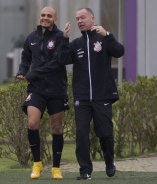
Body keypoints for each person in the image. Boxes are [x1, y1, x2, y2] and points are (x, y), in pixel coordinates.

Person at [59, 8, 124, 180]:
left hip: (102, 96)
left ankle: (109, 162)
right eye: (77, 18)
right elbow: (62, 60)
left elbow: (119, 51)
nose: (79, 21)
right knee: (81, 134)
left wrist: (108, 34)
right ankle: (85, 170)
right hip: (82, 99)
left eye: (83, 17)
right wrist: (64, 40)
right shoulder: (75, 44)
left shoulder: (103, 38)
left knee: (105, 133)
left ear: (92, 18)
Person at [16, 6, 68, 180]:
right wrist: (22, 71)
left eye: (49, 16)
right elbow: (25, 57)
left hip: (56, 89)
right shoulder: (32, 37)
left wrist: (31, 74)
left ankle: (56, 168)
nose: (45, 18)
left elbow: (56, 63)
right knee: (32, 123)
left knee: (57, 128)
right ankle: (37, 164)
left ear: (55, 19)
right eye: (43, 15)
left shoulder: (61, 37)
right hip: (36, 89)